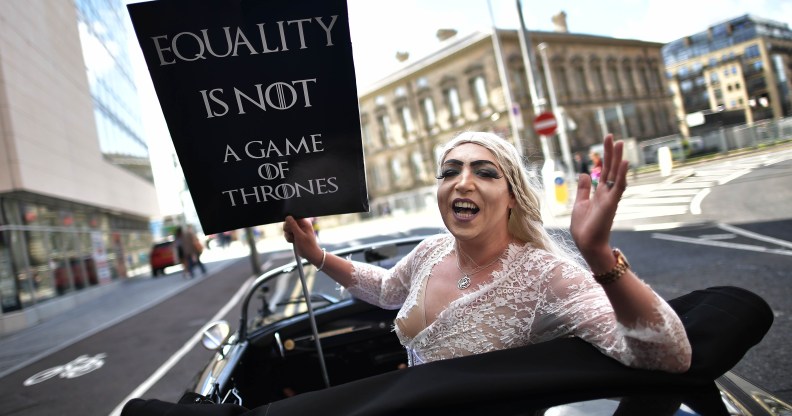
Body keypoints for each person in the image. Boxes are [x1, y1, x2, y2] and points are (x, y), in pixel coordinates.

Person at [283, 132, 691, 372]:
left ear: (512, 197)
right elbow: (387, 288)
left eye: (484, 172)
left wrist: (599, 254)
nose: (462, 182)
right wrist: (317, 254)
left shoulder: (544, 276)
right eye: (450, 171)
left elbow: (669, 355)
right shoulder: (430, 250)